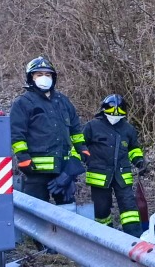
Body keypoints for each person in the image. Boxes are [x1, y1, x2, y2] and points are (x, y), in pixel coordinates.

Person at [10, 57, 89, 204]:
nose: (44, 78)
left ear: (53, 77)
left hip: (63, 169)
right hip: (35, 171)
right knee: (36, 211)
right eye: (39, 75)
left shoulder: (63, 101)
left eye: (48, 75)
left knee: (67, 210)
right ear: (31, 78)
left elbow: (75, 129)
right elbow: (16, 134)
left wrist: (82, 148)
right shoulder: (23, 103)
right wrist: (23, 157)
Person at [82, 94, 146, 237]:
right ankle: (105, 236)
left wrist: (139, 161)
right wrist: (76, 162)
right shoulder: (92, 126)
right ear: (104, 109)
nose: (115, 115)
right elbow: (79, 145)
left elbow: (133, 148)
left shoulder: (128, 129)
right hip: (99, 176)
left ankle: (134, 238)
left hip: (122, 175)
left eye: (119, 112)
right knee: (101, 209)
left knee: (129, 208)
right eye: (112, 110)